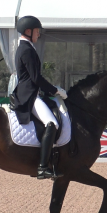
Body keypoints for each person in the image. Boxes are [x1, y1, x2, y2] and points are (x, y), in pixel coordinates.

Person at [11, 15, 68, 180]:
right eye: (37, 31)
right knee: (52, 123)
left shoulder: (27, 47)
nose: (39, 34)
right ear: (28, 31)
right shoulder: (27, 49)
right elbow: (36, 78)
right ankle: (42, 167)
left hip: (33, 93)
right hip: (29, 95)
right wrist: (54, 90)